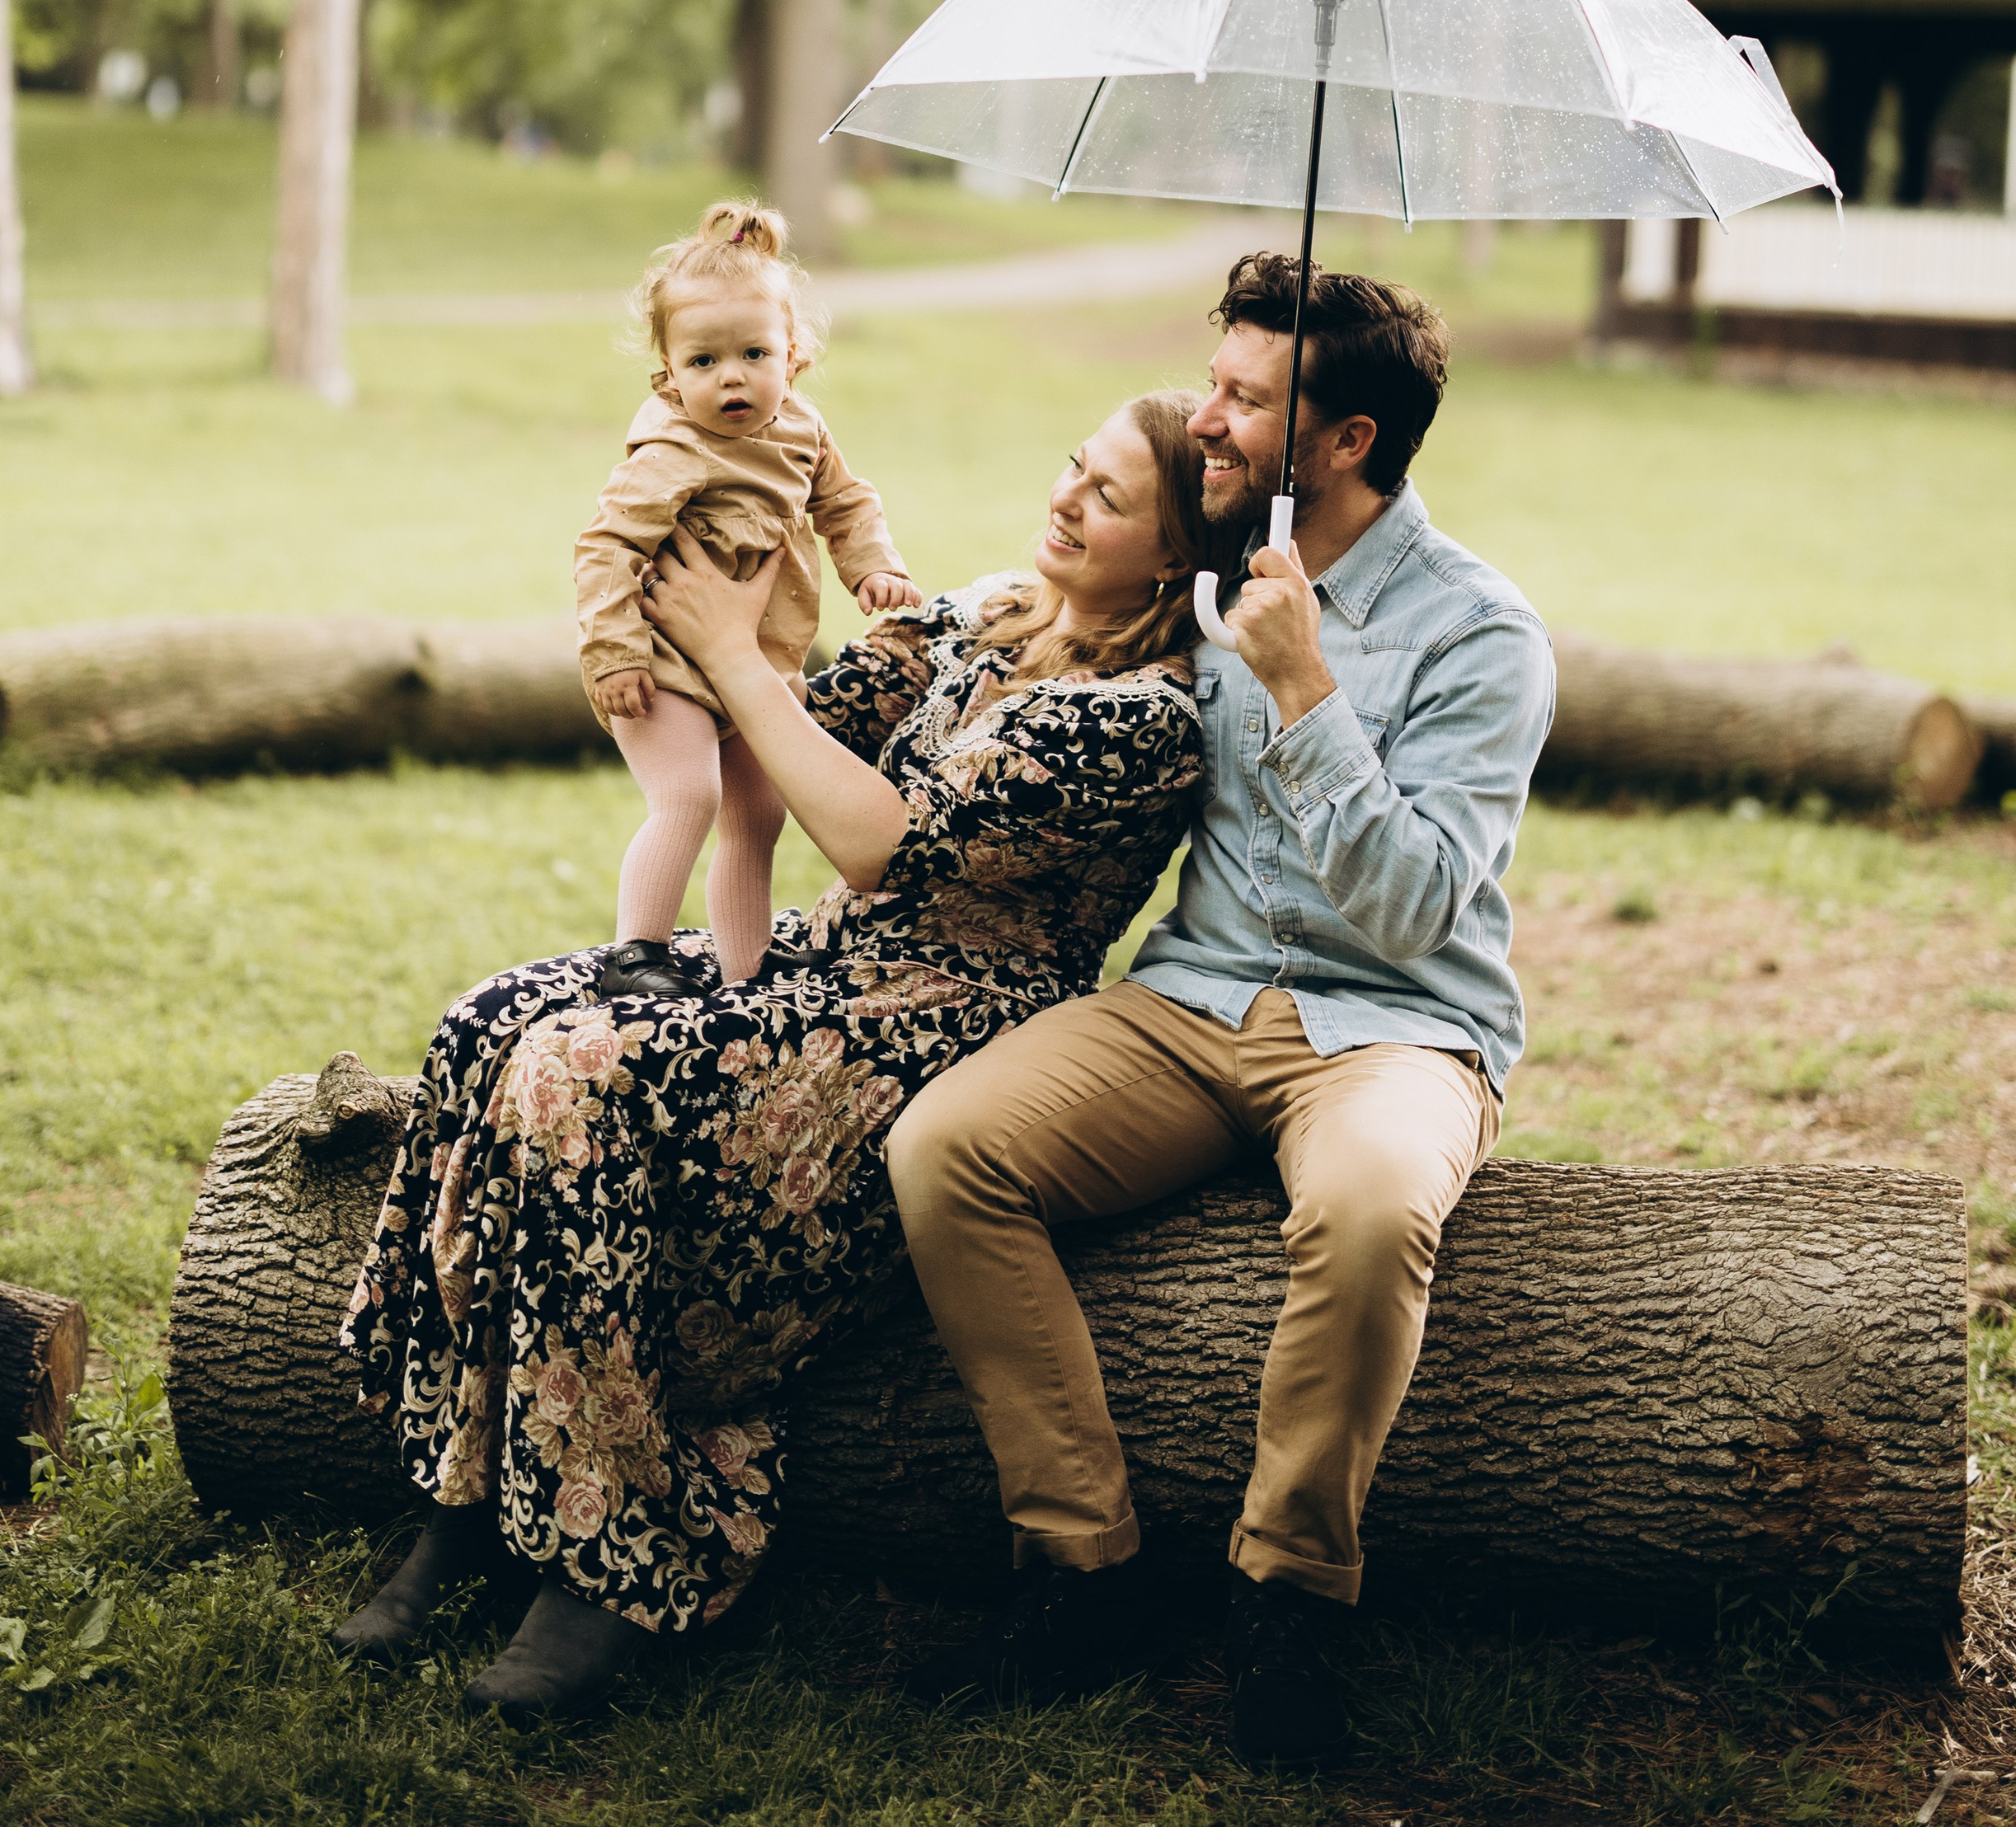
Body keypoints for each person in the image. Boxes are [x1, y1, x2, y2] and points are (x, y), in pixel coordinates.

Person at [333, 391, 1212, 1722]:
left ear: (1173, 557)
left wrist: (736, 657)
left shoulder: (1148, 720)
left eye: (1106, 496)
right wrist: (688, 595)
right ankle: (470, 1491)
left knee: (585, 1077)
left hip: (943, 1017)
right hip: (812, 955)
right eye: (1069, 468)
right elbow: (809, 716)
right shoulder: (992, 614)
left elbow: (879, 837)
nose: (1064, 499)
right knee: (493, 1021)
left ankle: (613, 1559)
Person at [887, 254, 1557, 1775]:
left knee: (1378, 1211)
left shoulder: (1482, 635)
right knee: (949, 1151)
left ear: (1348, 443)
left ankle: (1287, 1595)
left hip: (1395, 1024)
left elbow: (1412, 908)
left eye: (1249, 398)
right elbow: (1060, 604)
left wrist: (1310, 691)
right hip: (1190, 997)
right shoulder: (1211, 567)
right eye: (1219, 380)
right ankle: (1082, 1567)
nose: (1211, 414)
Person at [573, 200, 921, 993]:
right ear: (668, 373)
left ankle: (748, 964)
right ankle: (637, 954)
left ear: (792, 355)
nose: (731, 376)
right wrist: (615, 653)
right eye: (703, 362)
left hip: (761, 667)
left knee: (758, 815)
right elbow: (606, 547)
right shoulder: (673, 448)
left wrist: (873, 567)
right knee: (688, 795)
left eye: (753, 353)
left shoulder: (803, 428)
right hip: (664, 670)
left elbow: (846, 502)